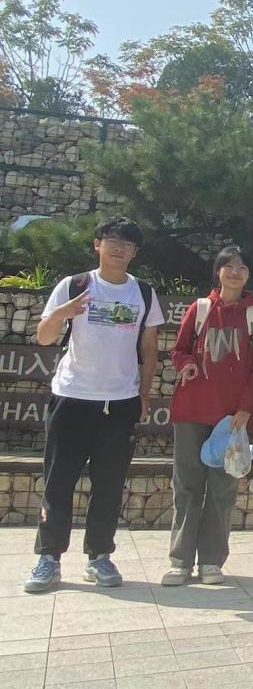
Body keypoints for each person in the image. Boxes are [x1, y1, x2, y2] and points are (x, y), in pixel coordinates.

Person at [25, 217, 165, 593]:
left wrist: (144, 393)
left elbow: (149, 347)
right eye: (112, 240)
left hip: (119, 403)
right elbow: (44, 337)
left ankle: (99, 556)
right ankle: (49, 558)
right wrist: (61, 313)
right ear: (97, 244)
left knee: (109, 484)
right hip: (72, 397)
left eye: (127, 243)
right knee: (59, 481)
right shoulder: (74, 285)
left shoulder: (143, 293)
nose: (119, 248)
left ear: (135, 252)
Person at [162, 246, 253, 586]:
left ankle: (211, 561)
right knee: (187, 486)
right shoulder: (200, 309)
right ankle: (180, 560)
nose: (235, 272)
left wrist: (246, 408)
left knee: (223, 487)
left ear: (249, 274)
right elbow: (179, 349)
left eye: (242, 267)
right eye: (229, 266)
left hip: (232, 417)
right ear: (218, 271)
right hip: (192, 411)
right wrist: (187, 364)